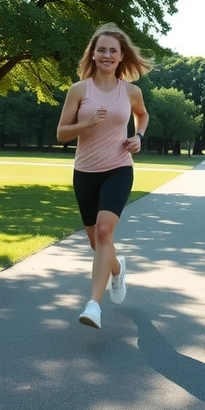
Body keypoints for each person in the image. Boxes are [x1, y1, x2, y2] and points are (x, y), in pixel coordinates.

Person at [56, 23, 152, 329]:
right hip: (85, 172)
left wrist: (138, 136)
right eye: (102, 50)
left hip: (119, 168)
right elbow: (60, 134)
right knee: (97, 243)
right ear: (93, 54)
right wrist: (86, 125)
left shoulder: (131, 91)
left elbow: (143, 115)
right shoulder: (79, 90)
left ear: (121, 55)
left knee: (104, 233)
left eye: (113, 50)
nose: (107, 55)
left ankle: (93, 305)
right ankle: (116, 269)